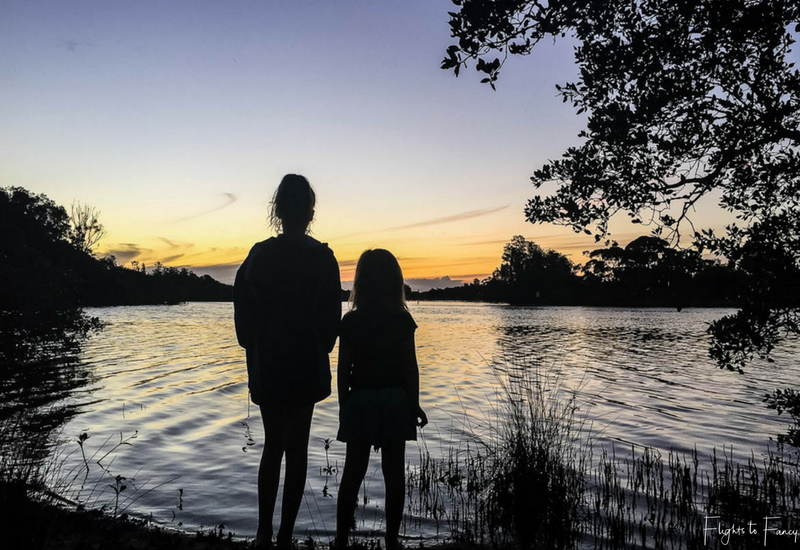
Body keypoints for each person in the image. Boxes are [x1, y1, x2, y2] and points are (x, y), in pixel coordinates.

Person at [234, 174, 341, 550]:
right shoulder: (323, 258)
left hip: (270, 366)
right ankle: (283, 536)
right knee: (297, 450)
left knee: (273, 445)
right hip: (305, 366)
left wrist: (255, 348)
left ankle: (264, 533)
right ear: (310, 213)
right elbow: (331, 325)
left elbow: (243, 320)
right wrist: (318, 345)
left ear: (277, 211)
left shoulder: (259, 255)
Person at [335, 249, 427, 550]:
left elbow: (343, 369)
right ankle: (391, 541)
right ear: (394, 281)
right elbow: (409, 367)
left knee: (352, 473)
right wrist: (413, 403)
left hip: (360, 400)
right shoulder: (401, 320)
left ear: (360, 282)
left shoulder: (351, 321)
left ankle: (341, 540)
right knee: (394, 475)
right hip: (394, 402)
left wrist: (343, 406)